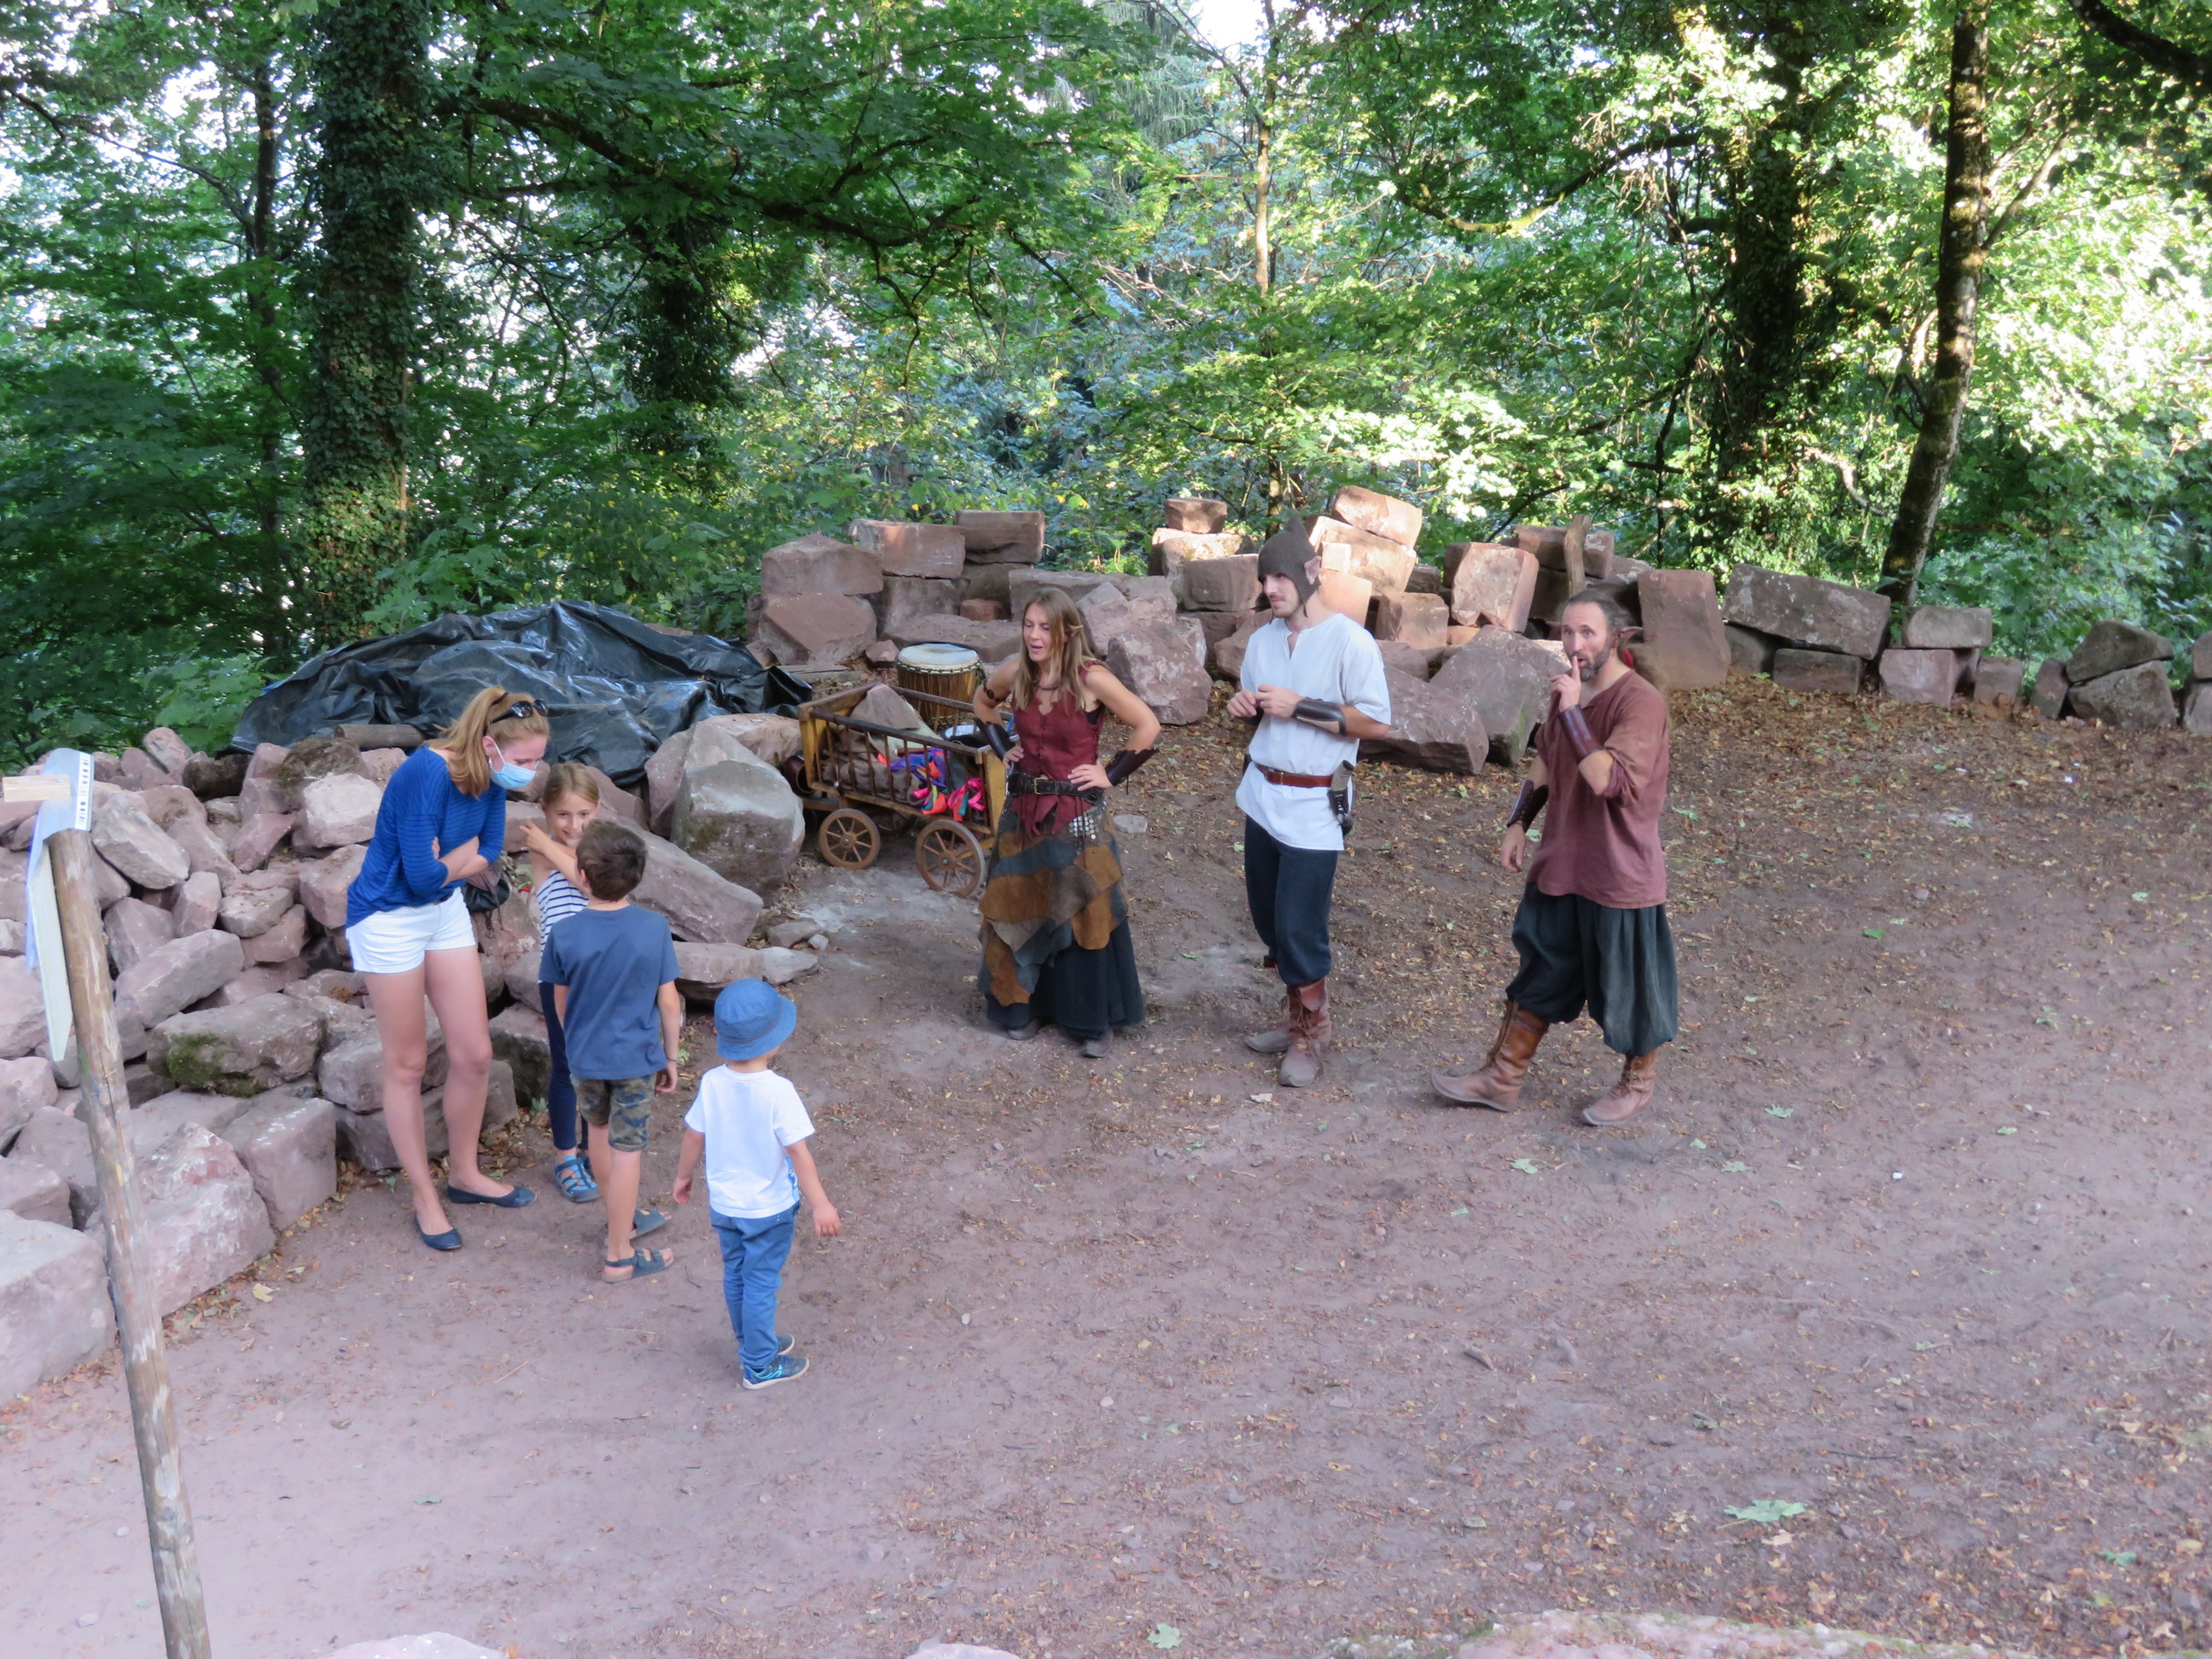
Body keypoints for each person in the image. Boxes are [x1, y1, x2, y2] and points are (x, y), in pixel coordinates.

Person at [1431, 592, 1678, 1125]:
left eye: (1587, 632)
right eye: (1567, 632)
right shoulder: (1568, 691)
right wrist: (1518, 822)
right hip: (1563, 863)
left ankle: (1638, 1083)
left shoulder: (1640, 703)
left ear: (1616, 637)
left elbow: (1606, 780)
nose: (1575, 644)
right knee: (1541, 968)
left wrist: (1572, 712)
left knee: (1629, 986)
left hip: (1619, 872)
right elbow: (1546, 760)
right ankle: (1502, 1078)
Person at [347, 686, 549, 1250]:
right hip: (387, 917)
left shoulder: (490, 778)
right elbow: (417, 876)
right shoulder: (426, 774)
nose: (532, 772)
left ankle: (464, 1175)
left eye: (538, 760)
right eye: (525, 760)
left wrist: (447, 862)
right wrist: (457, 862)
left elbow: (490, 848)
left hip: (443, 911)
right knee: (408, 1063)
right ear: (489, 744)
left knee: (475, 1054)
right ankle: (423, 1197)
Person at [1227, 513, 1391, 1088]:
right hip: (1263, 797)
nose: (1270, 589)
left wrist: (1300, 706)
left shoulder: (1350, 641)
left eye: (1280, 577)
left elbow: (1375, 722)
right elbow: (1260, 714)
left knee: (1300, 925)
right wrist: (1243, 708)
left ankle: (1311, 1033)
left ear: (1311, 572)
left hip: (1316, 806)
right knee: (1269, 919)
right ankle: (1294, 1014)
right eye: (1265, 579)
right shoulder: (1263, 641)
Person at [969, 587, 1161, 1059]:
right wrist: (1004, 748)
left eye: (1045, 627)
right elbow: (981, 705)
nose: (1035, 636)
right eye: (1028, 626)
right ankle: (1028, 1008)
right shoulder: (1016, 672)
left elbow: (1148, 725)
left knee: (1083, 911)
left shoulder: (1092, 679)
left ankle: (1090, 1020)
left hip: (1077, 818)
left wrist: (1110, 774)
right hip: (1023, 813)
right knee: (1022, 903)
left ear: (1067, 631)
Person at [672, 979, 842, 1390]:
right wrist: (821, 1203)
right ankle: (760, 1364)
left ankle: (751, 1338)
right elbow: (798, 1152)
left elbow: (694, 1134)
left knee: (736, 1274)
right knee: (761, 1283)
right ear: (773, 1042)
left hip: (726, 1206)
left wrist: (683, 1175)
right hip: (769, 1210)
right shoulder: (779, 1092)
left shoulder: (712, 1082)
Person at [538, 822, 684, 1282]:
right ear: (636, 877)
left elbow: (560, 1002)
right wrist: (671, 1056)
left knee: (598, 1136)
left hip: (586, 1058)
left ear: (582, 875)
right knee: (628, 1151)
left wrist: (577, 1041)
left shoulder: (564, 933)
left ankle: (619, 1220)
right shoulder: (653, 928)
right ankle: (619, 1253)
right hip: (635, 1060)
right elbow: (669, 1002)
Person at [520, 763, 602, 1204]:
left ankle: (592, 1149)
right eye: (564, 815)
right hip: (561, 978)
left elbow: (597, 884)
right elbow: (584, 882)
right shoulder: (543, 851)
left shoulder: (587, 850)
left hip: (600, 976)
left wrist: (545, 838)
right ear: (546, 810)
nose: (574, 825)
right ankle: (566, 1158)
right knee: (567, 1067)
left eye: (584, 814)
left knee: (596, 1066)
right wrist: (545, 842)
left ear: (598, 810)